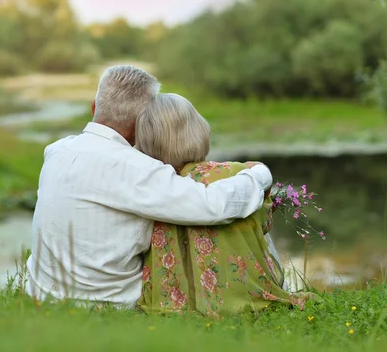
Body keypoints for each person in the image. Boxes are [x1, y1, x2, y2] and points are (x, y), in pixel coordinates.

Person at [26, 65, 273, 309]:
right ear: (145, 120)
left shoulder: (56, 150)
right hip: (104, 306)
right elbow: (213, 206)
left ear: (94, 106)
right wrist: (259, 174)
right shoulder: (135, 168)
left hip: (39, 294)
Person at [136, 93, 318, 318]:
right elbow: (263, 223)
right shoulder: (232, 174)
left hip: (166, 303)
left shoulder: (151, 184)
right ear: (197, 131)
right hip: (238, 298)